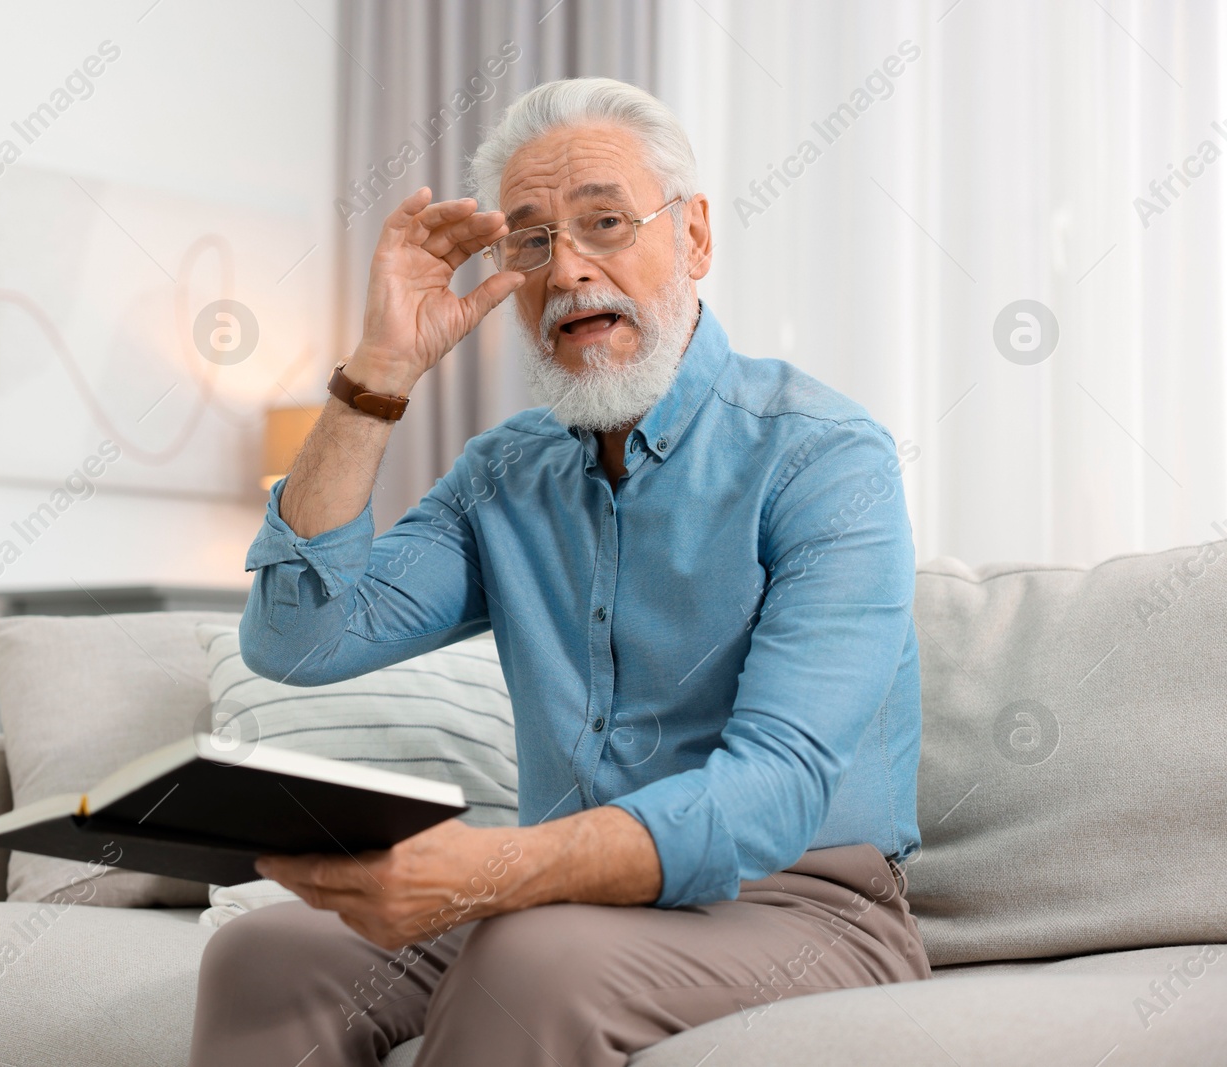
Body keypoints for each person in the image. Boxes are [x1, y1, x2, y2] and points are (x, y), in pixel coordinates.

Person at [188, 76, 929, 1067]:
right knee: (262, 954)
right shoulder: (503, 472)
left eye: (606, 222)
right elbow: (296, 639)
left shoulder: (826, 456)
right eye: (530, 240)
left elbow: (774, 788)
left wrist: (493, 867)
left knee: (530, 960)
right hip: (568, 897)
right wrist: (381, 373)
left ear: (695, 237)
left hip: (804, 902)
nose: (569, 268)